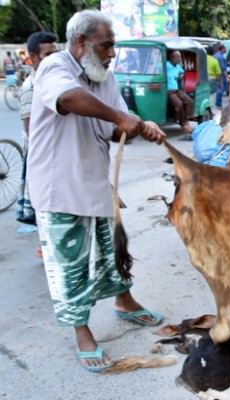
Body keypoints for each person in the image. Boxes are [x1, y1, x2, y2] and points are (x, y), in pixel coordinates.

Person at [26, 10, 166, 372]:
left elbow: (118, 125)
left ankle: (124, 301)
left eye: (112, 46)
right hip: (59, 188)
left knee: (110, 251)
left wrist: (141, 126)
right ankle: (82, 333)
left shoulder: (105, 77)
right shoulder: (55, 68)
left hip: (94, 182)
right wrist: (121, 118)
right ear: (81, 42)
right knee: (70, 266)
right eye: (106, 45)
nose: (112, 53)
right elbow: (71, 100)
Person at [16, 31, 59, 258]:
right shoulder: (31, 87)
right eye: (47, 55)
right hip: (39, 155)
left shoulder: (51, 81)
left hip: (51, 154)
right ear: (33, 58)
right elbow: (31, 130)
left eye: (56, 54)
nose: (53, 60)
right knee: (43, 203)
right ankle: (44, 247)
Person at [166, 50, 194, 133]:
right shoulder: (165, 65)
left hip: (177, 90)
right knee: (179, 104)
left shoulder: (177, 66)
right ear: (172, 57)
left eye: (180, 57)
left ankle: (187, 120)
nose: (179, 59)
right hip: (169, 90)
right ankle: (182, 124)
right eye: (178, 57)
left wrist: (182, 75)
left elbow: (182, 72)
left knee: (189, 102)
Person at [214, 44, 229, 109]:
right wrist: (227, 76)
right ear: (222, 49)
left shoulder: (215, 55)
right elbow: (223, 69)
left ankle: (215, 103)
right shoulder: (221, 57)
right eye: (225, 48)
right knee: (220, 89)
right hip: (221, 75)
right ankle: (218, 104)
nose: (226, 50)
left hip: (214, 75)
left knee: (216, 90)